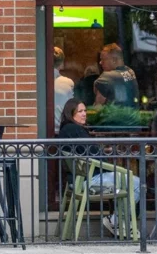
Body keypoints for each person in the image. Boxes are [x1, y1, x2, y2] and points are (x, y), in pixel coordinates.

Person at [57, 100, 140, 236]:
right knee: (135, 183)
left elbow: (89, 152)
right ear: (70, 113)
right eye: (80, 111)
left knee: (128, 181)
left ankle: (120, 223)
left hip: (81, 178)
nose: (84, 114)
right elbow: (95, 154)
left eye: (85, 111)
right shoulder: (74, 129)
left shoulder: (68, 129)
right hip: (89, 179)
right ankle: (116, 221)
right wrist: (106, 158)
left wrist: (102, 152)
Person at [52, 47, 75, 131]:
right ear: (61, 64)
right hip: (61, 130)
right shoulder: (68, 83)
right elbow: (71, 108)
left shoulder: (36, 82)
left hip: (39, 132)